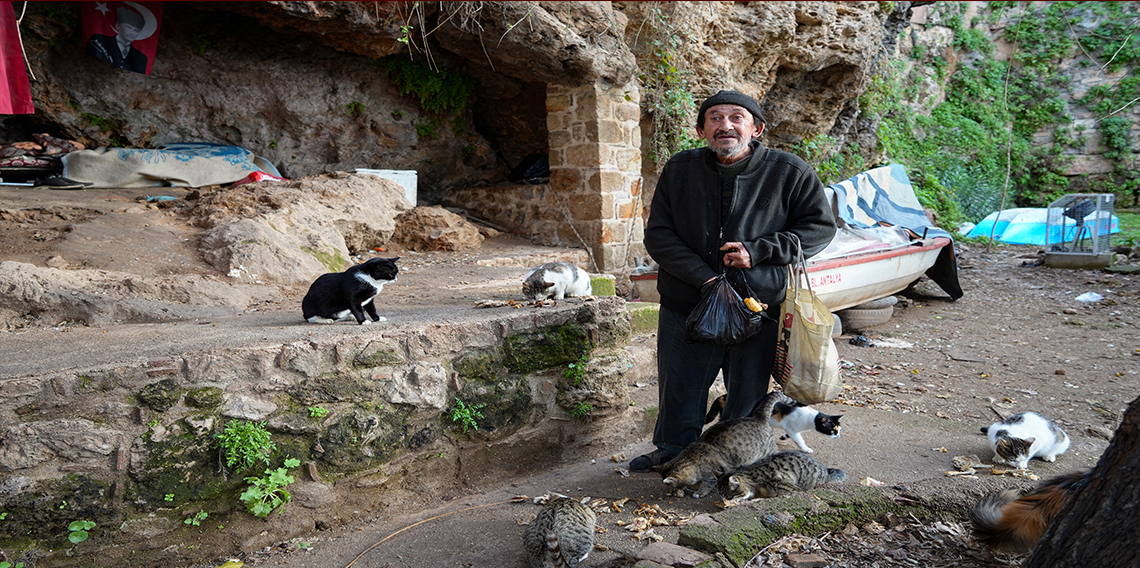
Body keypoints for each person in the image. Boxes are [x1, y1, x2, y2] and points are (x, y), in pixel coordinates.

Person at [630, 90, 837, 472]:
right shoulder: (681, 169)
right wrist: (706, 278)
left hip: (757, 302)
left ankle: (736, 458)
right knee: (681, 381)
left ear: (756, 128)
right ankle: (674, 451)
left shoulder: (789, 171)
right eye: (715, 118)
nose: (726, 125)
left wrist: (757, 251)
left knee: (747, 389)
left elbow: (820, 229)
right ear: (701, 130)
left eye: (736, 117)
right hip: (688, 299)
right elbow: (659, 235)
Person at [85, 6, 149, 74]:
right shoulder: (98, 41)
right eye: (129, 27)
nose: (132, 33)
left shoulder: (141, 57)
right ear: (117, 25)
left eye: (136, 30)